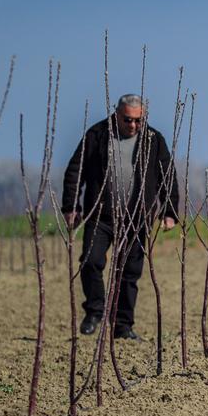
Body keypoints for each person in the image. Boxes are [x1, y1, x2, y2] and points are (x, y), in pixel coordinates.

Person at [61, 94, 179, 341]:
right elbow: (76, 169)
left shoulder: (153, 139)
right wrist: (71, 206)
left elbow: (166, 175)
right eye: (128, 120)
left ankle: (123, 327)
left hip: (136, 219)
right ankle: (95, 311)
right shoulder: (98, 135)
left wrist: (169, 211)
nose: (134, 125)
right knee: (91, 261)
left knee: (129, 273)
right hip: (101, 215)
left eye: (139, 120)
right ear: (117, 115)